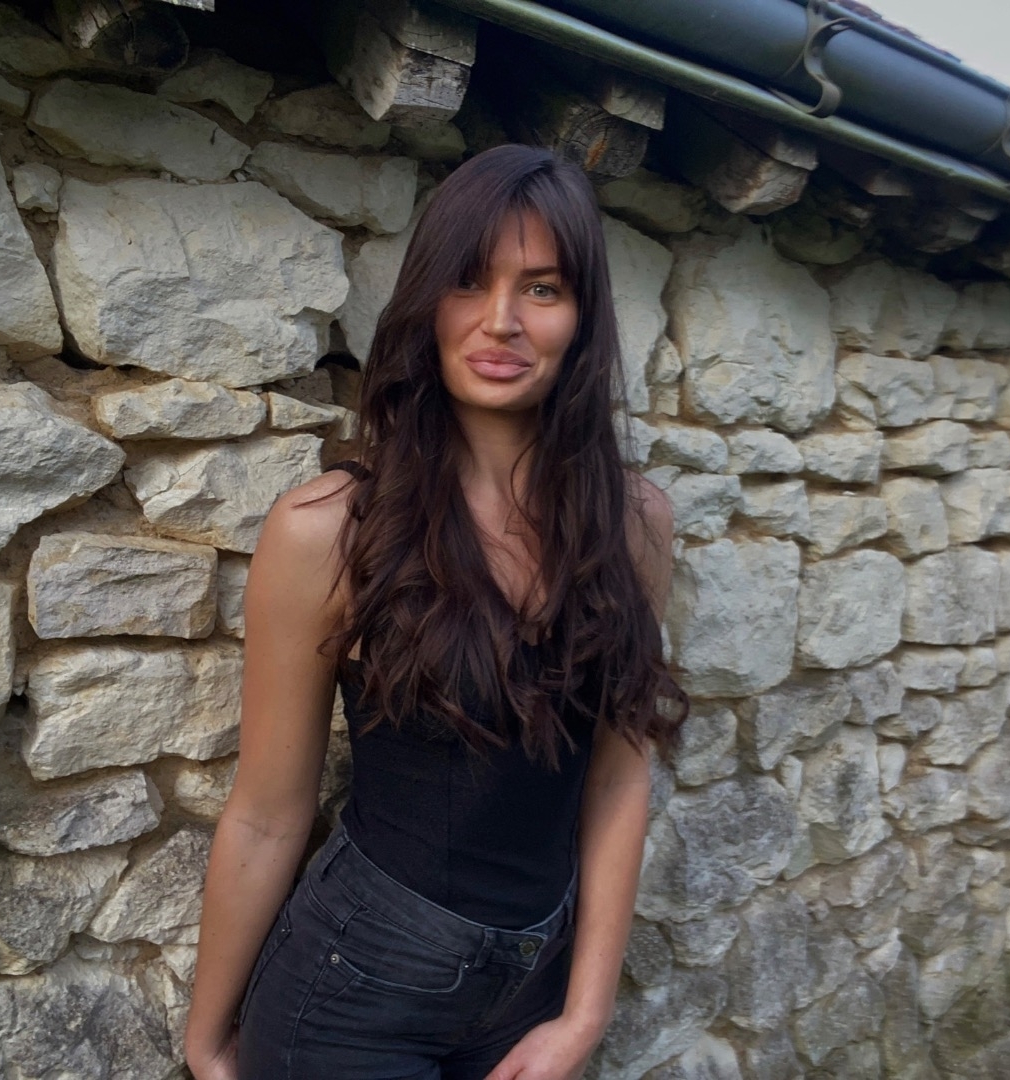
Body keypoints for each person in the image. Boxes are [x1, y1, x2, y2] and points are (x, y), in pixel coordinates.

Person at [183, 143, 688, 1080]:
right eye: (469, 280)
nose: (501, 321)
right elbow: (267, 813)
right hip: (351, 996)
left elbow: (619, 778)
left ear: (583, 317)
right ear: (426, 301)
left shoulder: (633, 525)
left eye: (542, 288)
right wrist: (209, 1035)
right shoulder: (331, 531)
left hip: (532, 991)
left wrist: (585, 1014)